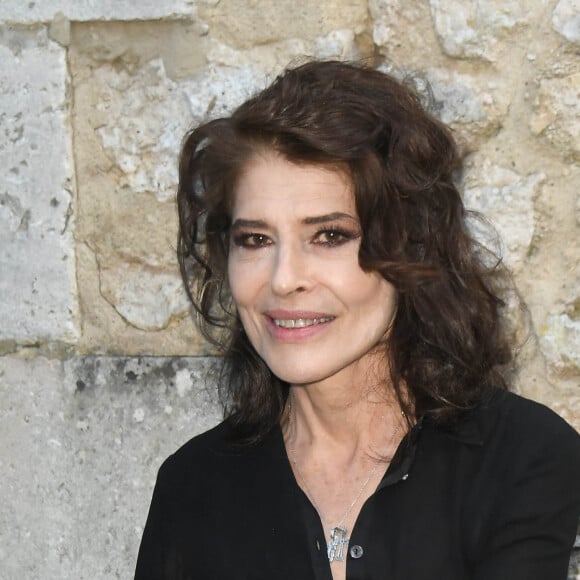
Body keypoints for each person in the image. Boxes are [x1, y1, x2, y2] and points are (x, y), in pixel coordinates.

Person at [134, 60, 580, 580]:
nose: (284, 280)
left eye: (329, 236)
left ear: (409, 245)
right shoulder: (193, 487)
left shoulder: (521, 458)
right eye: (255, 239)